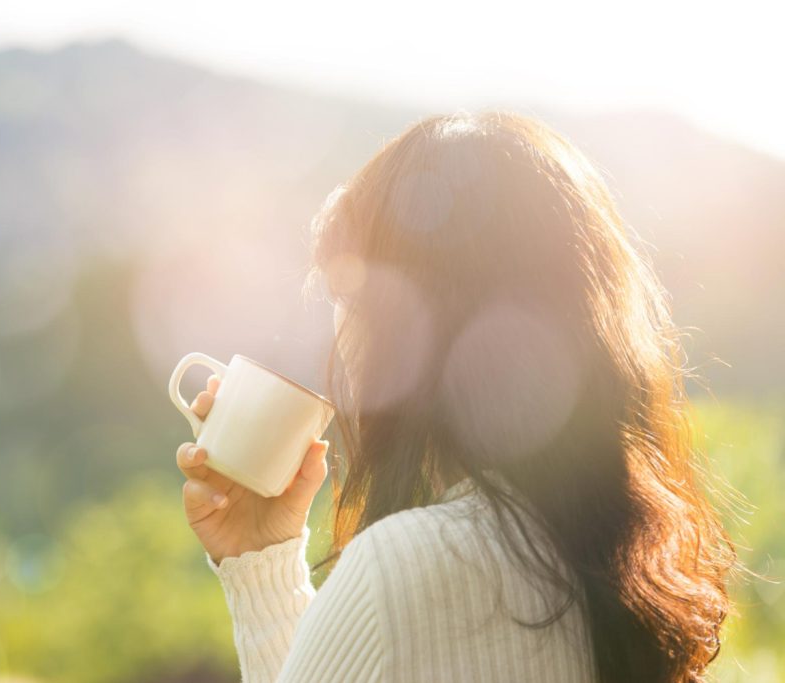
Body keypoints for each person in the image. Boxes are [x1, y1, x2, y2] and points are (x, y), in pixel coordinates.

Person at [174, 110, 735, 683]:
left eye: (348, 294)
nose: (340, 336)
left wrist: (260, 566)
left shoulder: (404, 567)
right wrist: (261, 559)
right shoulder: (626, 566)